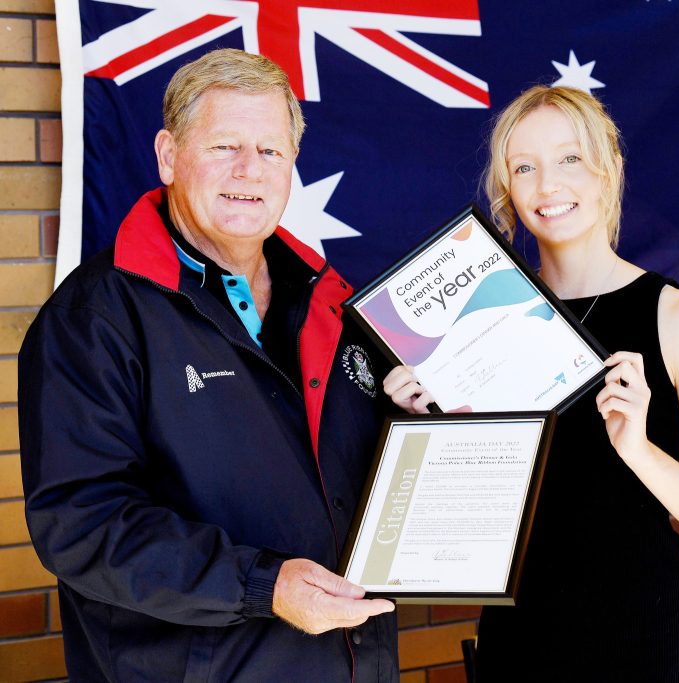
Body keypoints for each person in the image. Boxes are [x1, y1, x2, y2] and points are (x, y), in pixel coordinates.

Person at [18, 48, 398, 682]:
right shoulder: (94, 318)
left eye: (271, 152)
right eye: (224, 147)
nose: (249, 170)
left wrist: (409, 421)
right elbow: (82, 525)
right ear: (169, 155)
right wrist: (264, 587)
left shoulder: (338, 303)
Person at [383, 85, 679, 681]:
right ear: (508, 190)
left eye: (569, 159)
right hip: (518, 635)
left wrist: (639, 452)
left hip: (639, 637)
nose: (547, 185)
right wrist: (421, 431)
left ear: (609, 170)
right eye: (524, 167)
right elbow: (463, 525)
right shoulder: (476, 323)